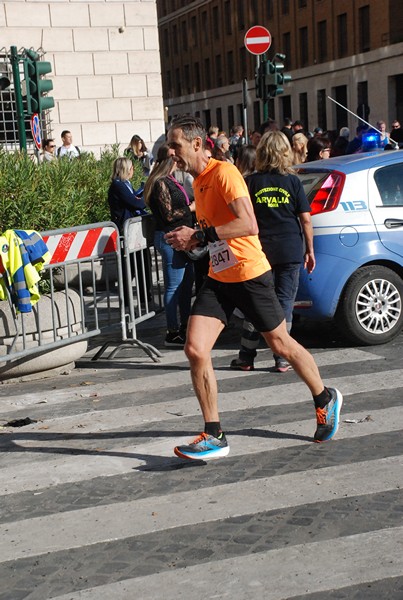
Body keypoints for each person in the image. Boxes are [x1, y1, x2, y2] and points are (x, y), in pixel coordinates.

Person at [165, 115, 343, 460]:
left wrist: (200, 235)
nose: (171, 152)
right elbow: (216, 230)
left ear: (197, 144)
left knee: (280, 343)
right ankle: (213, 434)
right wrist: (192, 242)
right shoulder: (199, 180)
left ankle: (324, 398)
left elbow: (247, 223)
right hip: (219, 276)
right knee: (195, 349)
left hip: (249, 274)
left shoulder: (224, 174)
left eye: (176, 145)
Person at [230, 130, 315, 373]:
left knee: (255, 303)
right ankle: (282, 358)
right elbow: (306, 220)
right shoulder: (293, 182)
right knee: (285, 302)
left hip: (259, 251)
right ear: (286, 153)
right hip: (289, 249)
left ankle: (246, 356)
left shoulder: (251, 182)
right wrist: (310, 250)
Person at [144, 143, 194, 347]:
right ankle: (172, 331)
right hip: (170, 238)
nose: (180, 158)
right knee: (174, 286)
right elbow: (169, 214)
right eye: (176, 156)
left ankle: (185, 326)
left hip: (182, 239)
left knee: (186, 284)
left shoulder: (171, 179)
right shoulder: (160, 182)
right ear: (169, 160)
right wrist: (192, 207)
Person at [107, 157, 151, 308]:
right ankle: (127, 301)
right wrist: (145, 197)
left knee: (141, 263)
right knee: (130, 266)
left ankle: (146, 296)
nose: (133, 170)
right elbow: (135, 202)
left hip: (133, 229)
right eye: (132, 167)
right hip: (126, 230)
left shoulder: (125, 184)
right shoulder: (118, 185)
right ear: (126, 169)